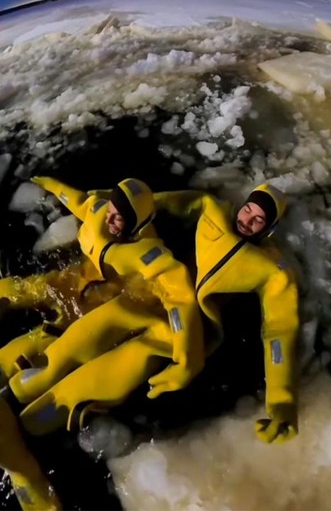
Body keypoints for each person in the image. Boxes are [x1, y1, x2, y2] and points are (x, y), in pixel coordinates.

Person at [0, 177, 205, 511]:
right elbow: (78, 199)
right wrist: (48, 183)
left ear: (138, 222)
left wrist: (187, 360)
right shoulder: (99, 214)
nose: (111, 220)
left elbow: (182, 300)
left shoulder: (149, 256)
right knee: (14, 296)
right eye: (112, 210)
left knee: (56, 369)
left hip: (115, 302)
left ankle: (47, 400)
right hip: (79, 283)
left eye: (120, 217)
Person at [152, 183, 301, 444]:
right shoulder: (213, 211)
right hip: (162, 291)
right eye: (247, 210)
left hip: (188, 328)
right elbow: (168, 200)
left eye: (258, 220)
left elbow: (280, 332)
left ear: (268, 230)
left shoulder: (271, 270)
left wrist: (281, 400)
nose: (247, 220)